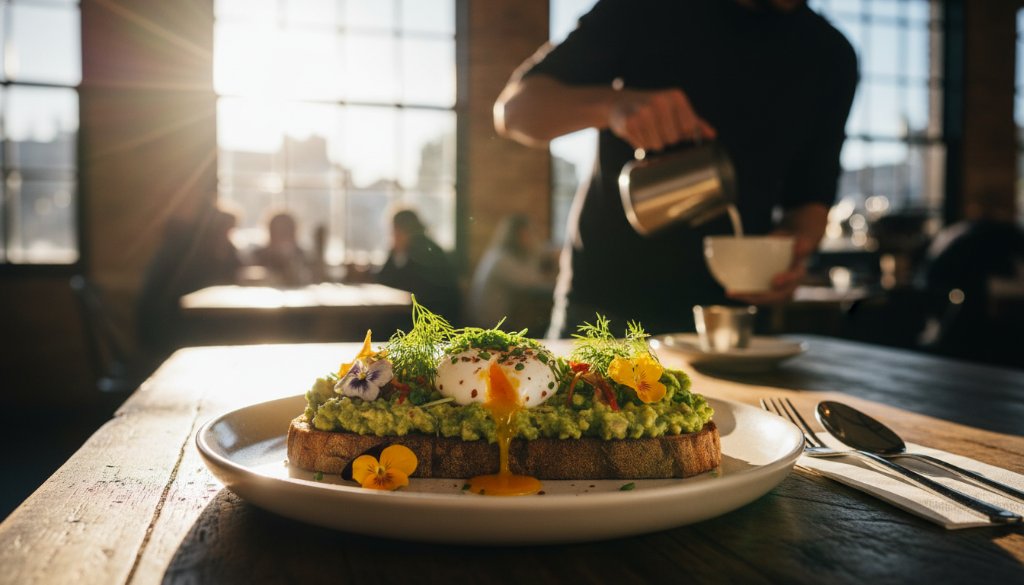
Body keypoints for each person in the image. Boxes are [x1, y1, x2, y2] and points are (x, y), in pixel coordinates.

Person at [494, 0, 858, 336]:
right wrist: (611, 106)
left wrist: (792, 253)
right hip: (606, 309)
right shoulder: (647, 7)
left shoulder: (831, 56)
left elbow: (811, 198)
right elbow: (514, 111)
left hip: (732, 321)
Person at [136, 202, 243, 353]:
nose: (226, 234)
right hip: (167, 328)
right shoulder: (187, 252)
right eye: (224, 229)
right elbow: (199, 289)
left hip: (179, 323)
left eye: (230, 230)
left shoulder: (214, 247)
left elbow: (234, 271)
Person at [468, 214, 557, 329]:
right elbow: (533, 282)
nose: (531, 237)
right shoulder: (502, 261)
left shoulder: (500, 255)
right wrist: (534, 252)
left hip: (492, 323)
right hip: (488, 327)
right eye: (527, 234)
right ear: (516, 235)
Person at [377, 208, 461, 320]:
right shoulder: (404, 249)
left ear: (403, 230)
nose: (392, 236)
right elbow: (384, 278)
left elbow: (406, 284)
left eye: (394, 231)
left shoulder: (425, 250)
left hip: (436, 316)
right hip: (419, 312)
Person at [251, 210, 314, 286]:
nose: (282, 234)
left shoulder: (305, 256)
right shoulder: (258, 256)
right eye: (278, 229)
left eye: (286, 229)